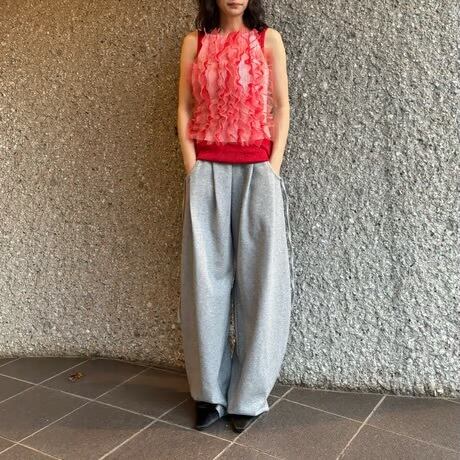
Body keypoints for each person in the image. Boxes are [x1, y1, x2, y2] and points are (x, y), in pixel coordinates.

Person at [176, 0, 294, 433]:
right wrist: (192, 166)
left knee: (262, 283)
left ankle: (249, 395)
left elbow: (281, 105)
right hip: (207, 171)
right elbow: (184, 107)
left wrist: (272, 167)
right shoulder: (194, 43)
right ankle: (209, 393)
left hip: (257, 172)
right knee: (204, 283)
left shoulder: (268, 40)